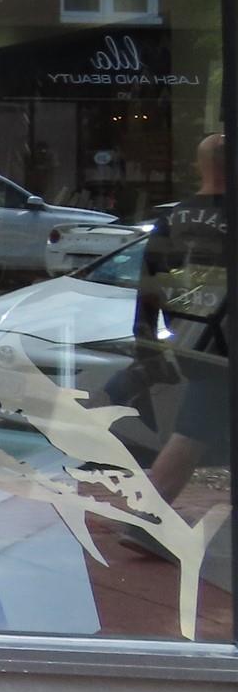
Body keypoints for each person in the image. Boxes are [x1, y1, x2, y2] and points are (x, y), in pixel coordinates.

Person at [134, 131, 230, 509]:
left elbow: (149, 285)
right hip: (222, 345)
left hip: (193, 339)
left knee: (195, 431)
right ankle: (145, 521)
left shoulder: (172, 219)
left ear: (198, 166)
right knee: (191, 434)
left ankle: (145, 519)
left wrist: (147, 341)